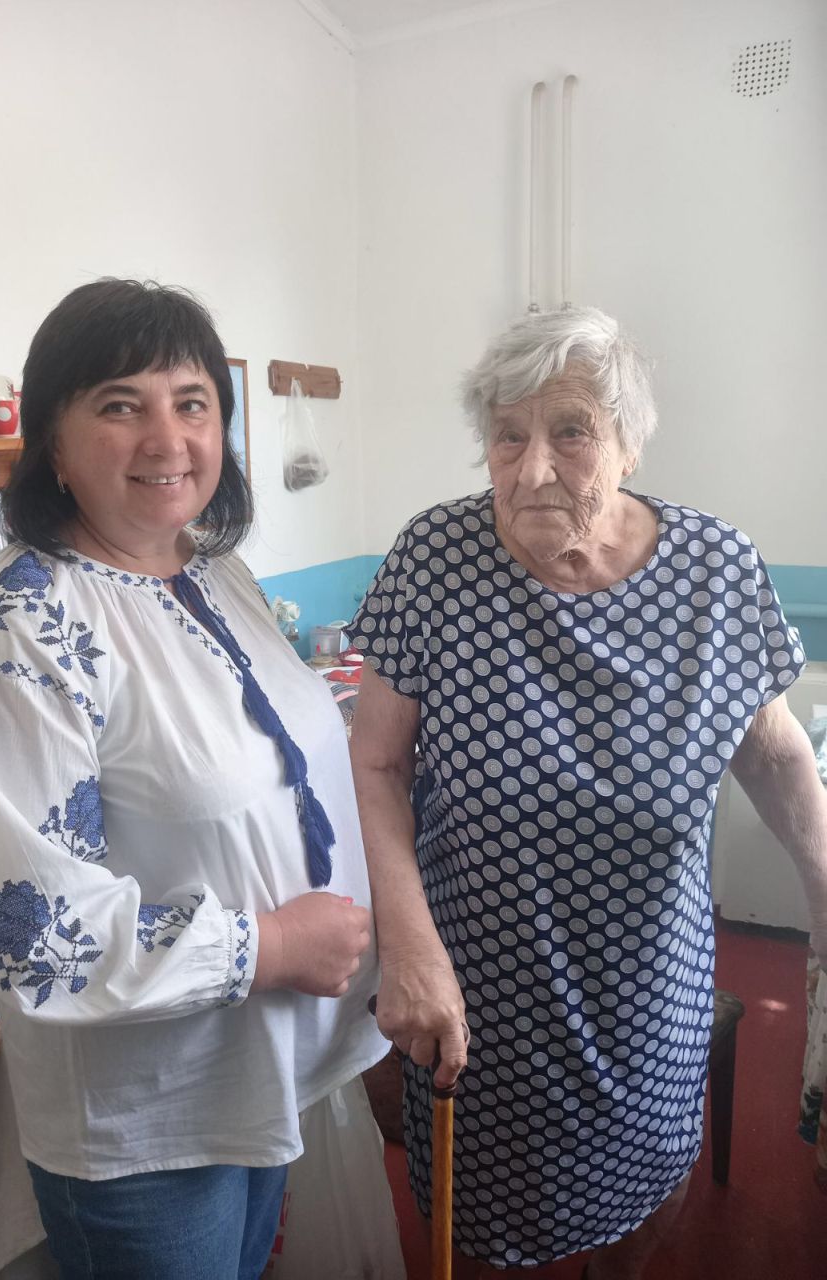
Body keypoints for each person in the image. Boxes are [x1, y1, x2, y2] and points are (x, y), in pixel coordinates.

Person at [347, 306, 827, 1278]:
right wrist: (407, 945)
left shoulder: (713, 568)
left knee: (646, 1194)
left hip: (650, 985)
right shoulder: (434, 559)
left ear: (630, 443)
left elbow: (776, 755)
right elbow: (378, 764)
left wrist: (826, 895)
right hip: (475, 980)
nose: (532, 469)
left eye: (571, 431)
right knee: (477, 1217)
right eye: (507, 435)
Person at [0, 279, 387, 1280]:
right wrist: (271, 945)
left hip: (260, 1076)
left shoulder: (213, 570)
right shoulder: (21, 628)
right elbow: (34, 932)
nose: (167, 438)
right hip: (148, 1129)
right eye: (120, 405)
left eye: (192, 402)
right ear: (53, 442)